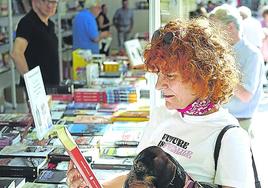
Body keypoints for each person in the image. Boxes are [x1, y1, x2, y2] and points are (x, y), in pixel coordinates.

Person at [67, 17, 255, 187]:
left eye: (170, 76)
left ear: (202, 76)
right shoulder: (161, 113)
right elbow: (136, 178)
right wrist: (94, 185)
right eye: (158, 74)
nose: (158, 85)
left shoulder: (230, 137)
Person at [209, 5, 264, 133]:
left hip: (240, 122)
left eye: (215, 28)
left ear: (230, 27)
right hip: (219, 118)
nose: (212, 33)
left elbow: (245, 95)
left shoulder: (252, 54)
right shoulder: (220, 51)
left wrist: (220, 72)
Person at [12, 0, 59, 86]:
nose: (50, 5)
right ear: (35, 2)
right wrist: (31, 81)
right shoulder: (27, 23)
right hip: (37, 89)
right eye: (46, 1)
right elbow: (16, 54)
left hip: (51, 86)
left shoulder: (50, 24)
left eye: (54, 2)